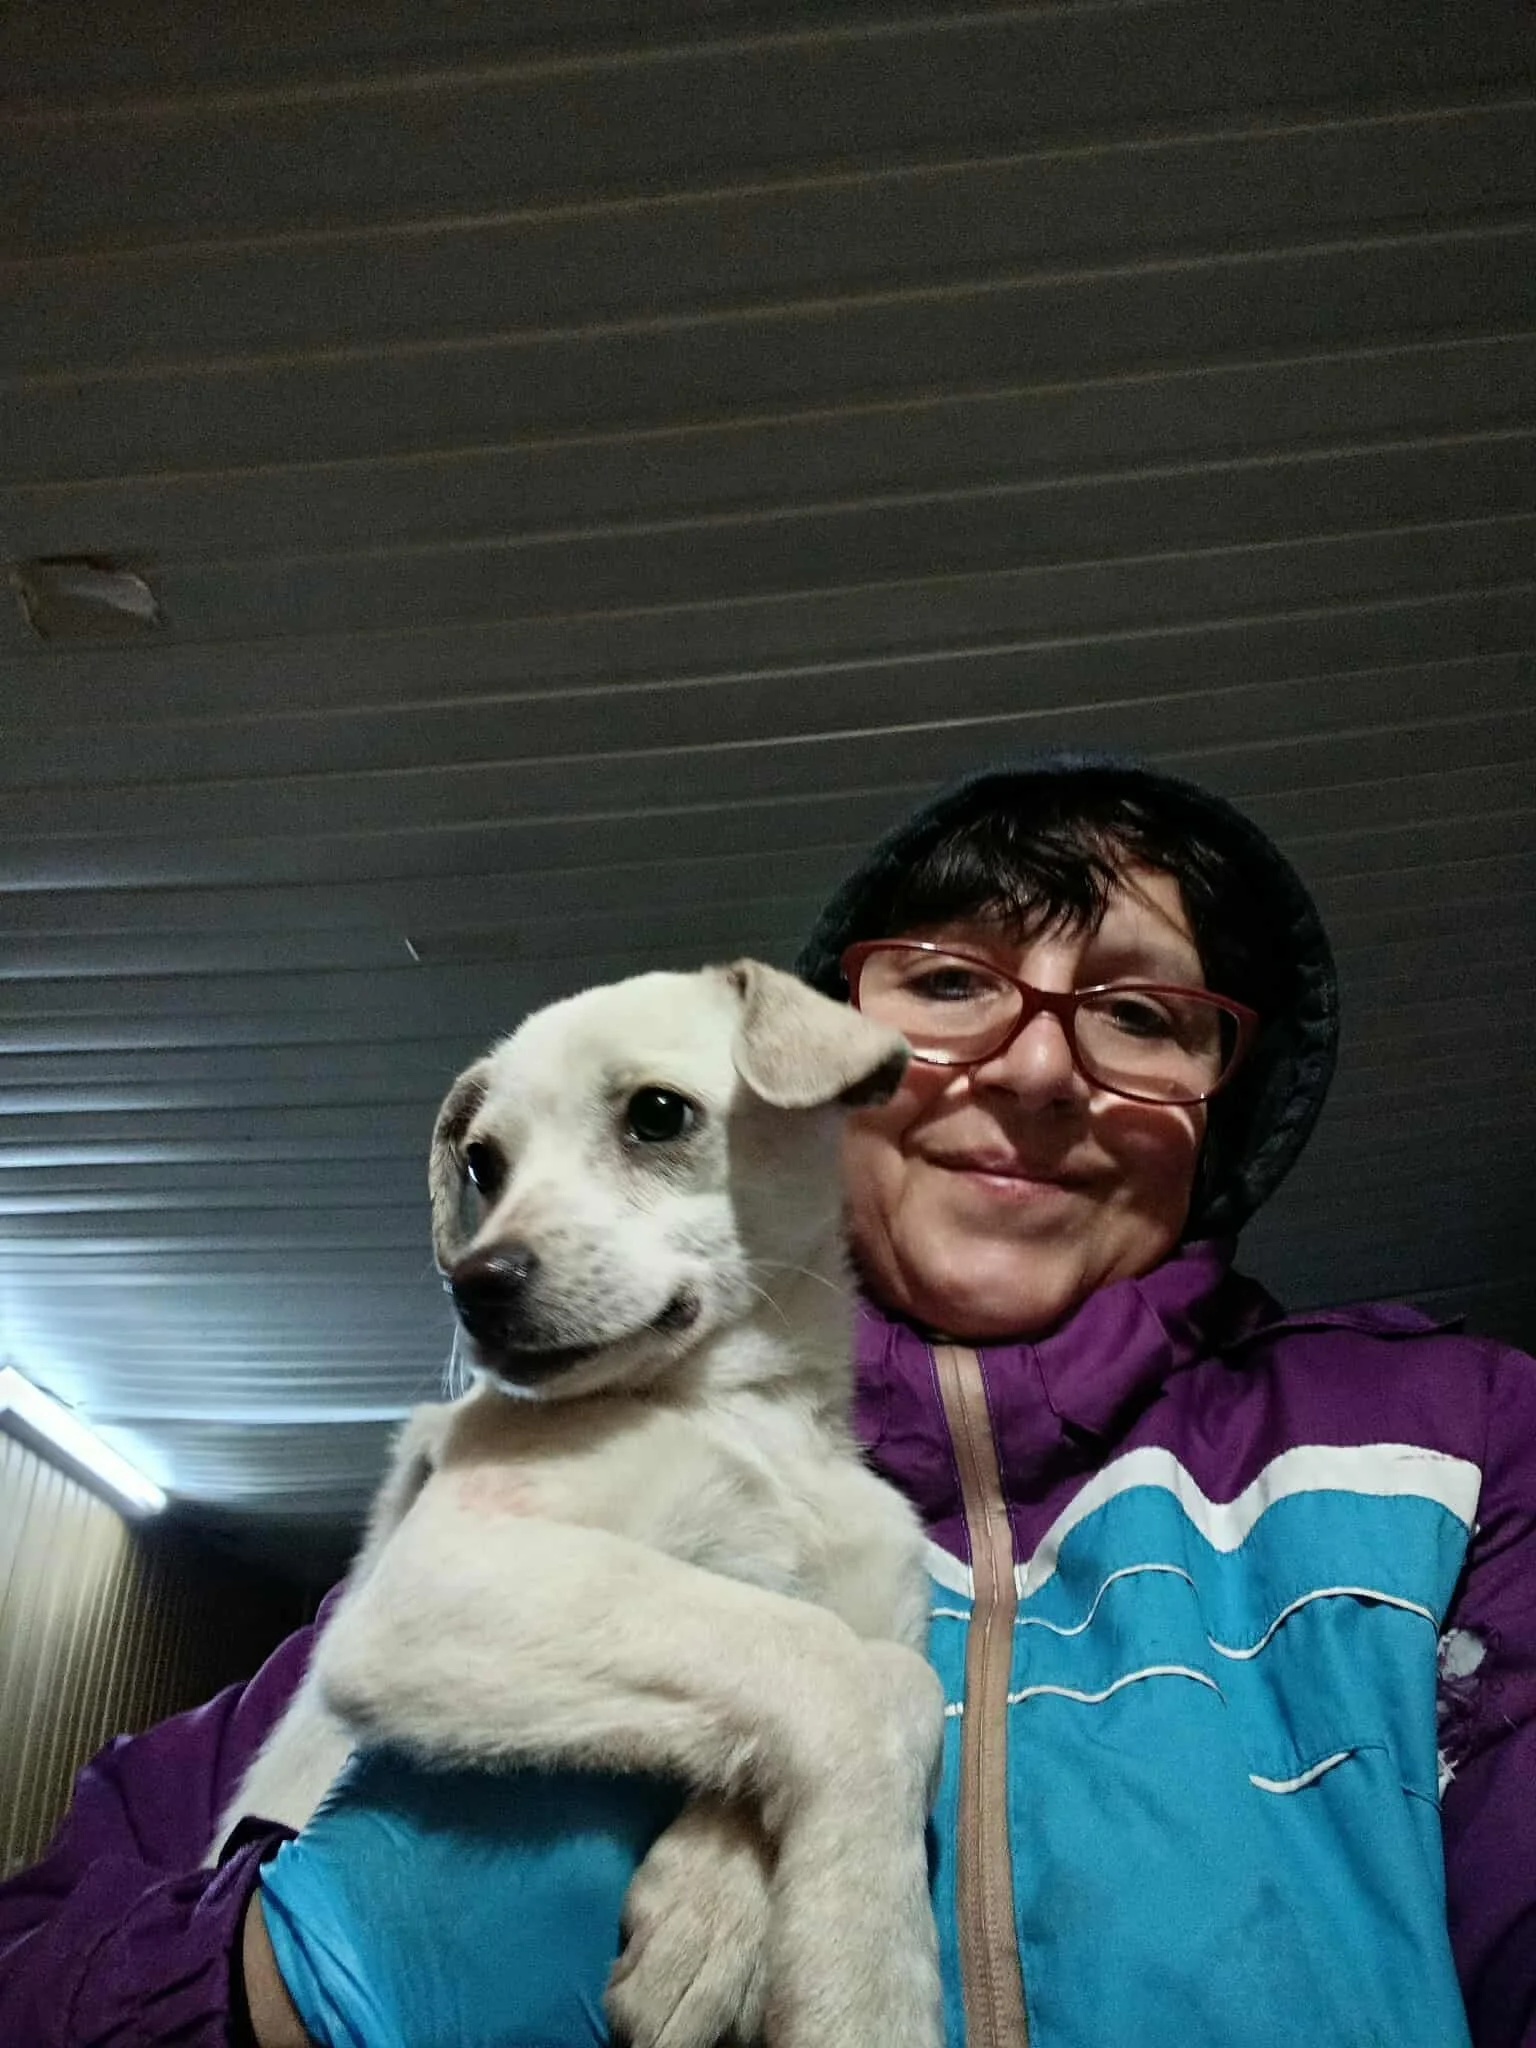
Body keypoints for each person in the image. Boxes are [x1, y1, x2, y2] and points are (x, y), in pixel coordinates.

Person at [2, 756, 1532, 2048]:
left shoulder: (1443, 1446)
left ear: (1220, 1113)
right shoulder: (529, 1497)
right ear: (811, 1076)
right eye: (950, 984)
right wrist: (269, 1989)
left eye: (1142, 1014)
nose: (1038, 1073)